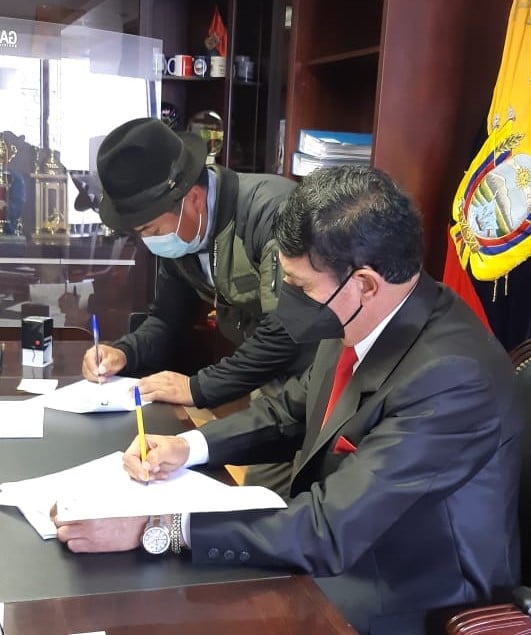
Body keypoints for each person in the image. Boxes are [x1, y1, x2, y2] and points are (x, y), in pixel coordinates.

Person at [57, 165, 522, 635]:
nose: (287, 302)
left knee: (192, 609)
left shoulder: (451, 377)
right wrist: (188, 447)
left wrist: (156, 527)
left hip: (409, 588)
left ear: (364, 283)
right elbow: (290, 410)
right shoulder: (355, 311)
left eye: (299, 287)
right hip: (342, 542)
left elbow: (328, 528)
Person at [82, 117, 316, 495]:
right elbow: (167, 319)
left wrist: (197, 388)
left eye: (152, 230)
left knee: (314, 500)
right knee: (262, 499)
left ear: (191, 197)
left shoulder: (272, 212)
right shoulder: (183, 236)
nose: (150, 242)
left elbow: (287, 330)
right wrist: (123, 353)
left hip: (322, 376)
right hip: (272, 386)